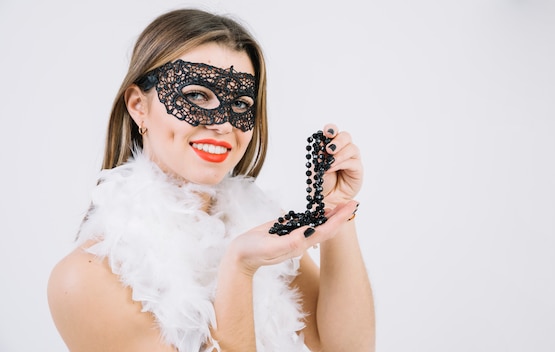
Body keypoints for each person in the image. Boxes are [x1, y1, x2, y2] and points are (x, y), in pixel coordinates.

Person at [47, 8, 375, 352]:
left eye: (241, 103)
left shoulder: (253, 224)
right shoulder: (84, 279)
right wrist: (239, 269)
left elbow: (348, 348)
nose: (223, 125)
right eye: (196, 96)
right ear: (138, 106)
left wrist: (336, 212)